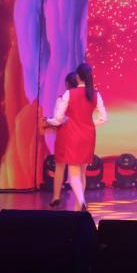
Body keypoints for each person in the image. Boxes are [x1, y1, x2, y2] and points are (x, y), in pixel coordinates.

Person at [45, 63, 108, 212]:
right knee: (82, 172)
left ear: (78, 76)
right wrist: (88, 123)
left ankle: (81, 201)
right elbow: (104, 118)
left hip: (74, 135)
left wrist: (49, 121)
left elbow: (59, 118)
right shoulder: (96, 94)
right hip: (89, 135)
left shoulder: (69, 94)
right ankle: (79, 206)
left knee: (73, 173)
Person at [46, 72, 79, 208]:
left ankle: (56, 196)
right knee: (76, 168)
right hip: (78, 134)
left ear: (67, 84)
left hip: (64, 134)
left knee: (60, 166)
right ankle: (79, 199)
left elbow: (58, 119)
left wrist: (47, 120)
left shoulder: (62, 99)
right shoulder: (83, 99)